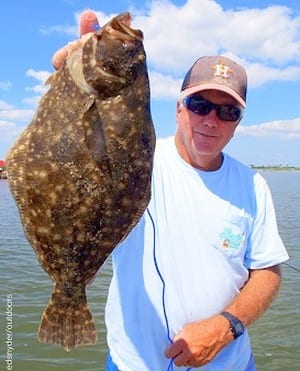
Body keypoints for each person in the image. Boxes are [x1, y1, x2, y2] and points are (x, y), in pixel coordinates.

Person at [53, 11, 289, 371]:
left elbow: (268, 271)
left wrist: (226, 327)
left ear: (238, 122)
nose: (211, 120)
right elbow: (79, 153)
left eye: (228, 111)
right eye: (200, 105)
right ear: (179, 108)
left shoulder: (252, 184)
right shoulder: (136, 161)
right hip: (133, 363)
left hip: (230, 363)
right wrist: (78, 79)